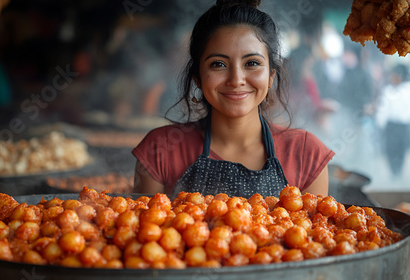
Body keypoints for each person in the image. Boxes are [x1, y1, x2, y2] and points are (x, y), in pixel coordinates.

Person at [132, 0, 334, 198]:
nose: (236, 80)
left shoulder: (307, 154)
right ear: (198, 79)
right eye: (218, 64)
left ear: (271, 76)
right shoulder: (160, 149)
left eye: (252, 63)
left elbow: (313, 230)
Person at [375, 64, 410, 179]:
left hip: (403, 126)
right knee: (390, 150)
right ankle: (393, 173)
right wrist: (380, 124)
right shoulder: (388, 91)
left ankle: (398, 173)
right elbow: (383, 110)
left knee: (401, 150)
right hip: (391, 126)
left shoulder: (407, 90)